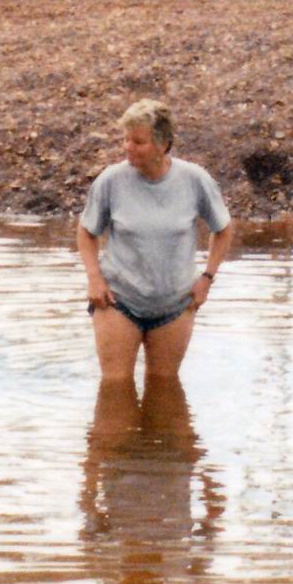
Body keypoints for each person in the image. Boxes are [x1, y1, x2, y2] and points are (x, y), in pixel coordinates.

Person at [76, 99, 235, 382]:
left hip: (175, 303)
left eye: (138, 141)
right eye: (125, 139)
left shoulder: (195, 180)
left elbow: (223, 229)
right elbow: (87, 231)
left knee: (164, 386)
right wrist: (94, 278)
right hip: (119, 300)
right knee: (114, 387)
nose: (127, 147)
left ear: (163, 145)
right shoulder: (111, 181)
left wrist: (208, 278)